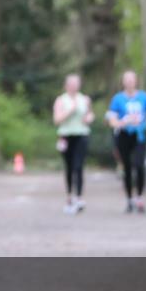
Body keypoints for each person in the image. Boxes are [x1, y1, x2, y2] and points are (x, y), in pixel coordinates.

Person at [105, 70, 146, 213]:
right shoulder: (117, 99)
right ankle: (129, 198)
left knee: (139, 165)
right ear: (123, 82)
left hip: (139, 135)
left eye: (132, 79)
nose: (129, 82)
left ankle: (139, 196)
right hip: (123, 136)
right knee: (127, 168)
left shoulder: (144, 97)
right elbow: (111, 119)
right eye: (126, 80)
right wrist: (122, 122)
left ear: (136, 81)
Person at [52, 74, 94, 214]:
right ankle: (70, 195)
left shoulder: (85, 99)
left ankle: (79, 197)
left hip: (81, 134)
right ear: (66, 85)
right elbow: (57, 120)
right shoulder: (60, 100)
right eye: (71, 83)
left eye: (76, 83)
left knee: (79, 166)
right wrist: (71, 110)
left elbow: (89, 115)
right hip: (66, 135)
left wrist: (89, 118)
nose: (74, 86)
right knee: (69, 167)